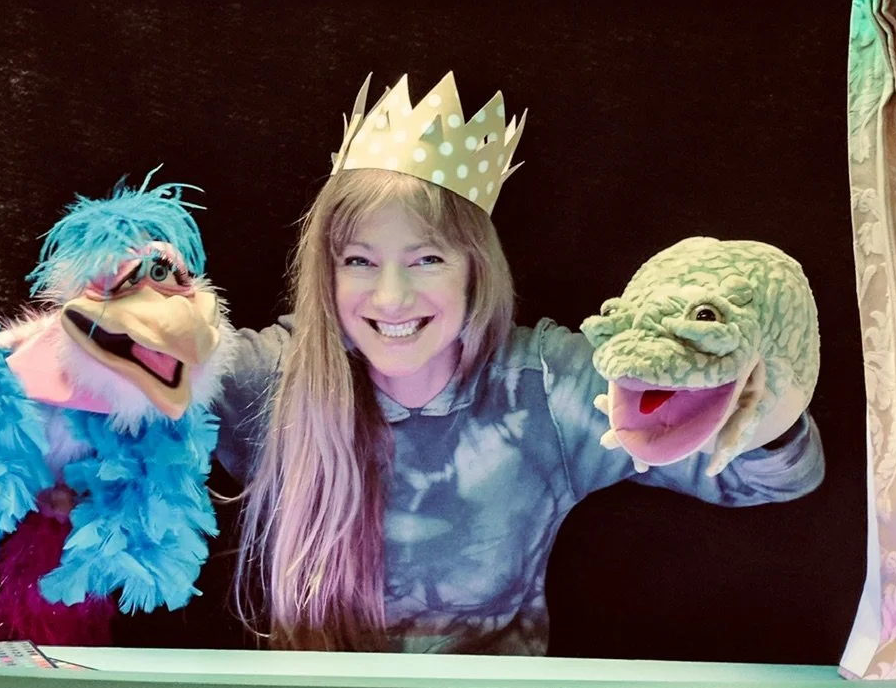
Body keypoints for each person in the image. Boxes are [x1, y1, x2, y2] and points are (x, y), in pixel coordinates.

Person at [215, 74, 825, 654]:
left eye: (427, 259)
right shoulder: (269, 379)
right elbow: (136, 396)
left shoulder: (546, 387)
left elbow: (771, 478)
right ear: (327, 272)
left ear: (475, 268)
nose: (392, 297)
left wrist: (769, 402)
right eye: (358, 261)